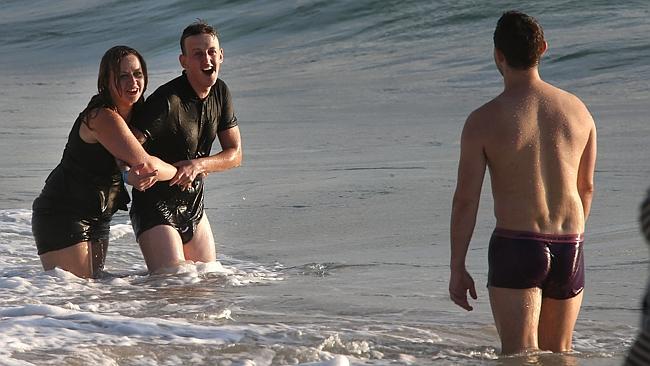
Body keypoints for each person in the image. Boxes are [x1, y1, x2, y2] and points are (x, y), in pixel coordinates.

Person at [448, 11, 597, 355]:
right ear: (543, 48)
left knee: (519, 356)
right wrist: (570, 239)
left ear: (498, 55)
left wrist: (458, 267)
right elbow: (585, 187)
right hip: (569, 244)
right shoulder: (579, 111)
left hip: (517, 246)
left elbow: (465, 200)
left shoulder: (483, 120)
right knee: (560, 354)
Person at [32, 46, 178, 279]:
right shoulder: (102, 117)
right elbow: (147, 164)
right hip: (63, 214)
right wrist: (183, 170)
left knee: (95, 295)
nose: (133, 82)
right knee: (75, 297)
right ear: (106, 82)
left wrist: (129, 175)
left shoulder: (135, 115)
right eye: (123, 76)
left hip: (98, 214)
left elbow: (121, 166)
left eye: (138, 74)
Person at [129, 21, 242, 274]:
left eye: (212, 51)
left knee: (208, 282)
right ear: (184, 61)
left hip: (194, 204)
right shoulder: (167, 101)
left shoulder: (221, 92)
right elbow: (129, 146)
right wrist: (133, 171)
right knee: (173, 283)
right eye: (197, 54)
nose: (207, 59)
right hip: (155, 205)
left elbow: (234, 154)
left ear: (221, 55)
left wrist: (199, 165)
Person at [624, 190, 650, 365]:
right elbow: (587, 187)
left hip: (528, 235)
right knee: (562, 348)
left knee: (525, 349)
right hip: (571, 236)